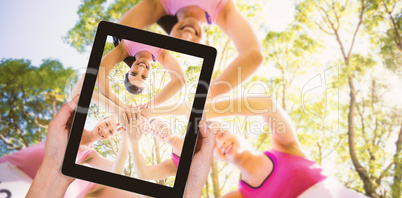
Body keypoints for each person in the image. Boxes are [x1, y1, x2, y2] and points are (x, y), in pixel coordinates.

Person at [26, 96, 216, 198]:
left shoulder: (90, 155)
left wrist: (131, 135)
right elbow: (90, 93)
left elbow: (117, 171)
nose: (106, 131)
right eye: (107, 125)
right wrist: (120, 111)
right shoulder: (73, 127)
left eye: (110, 132)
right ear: (100, 119)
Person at [202, 95, 368, 198]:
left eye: (221, 133)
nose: (220, 142)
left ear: (237, 131)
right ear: (212, 156)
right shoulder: (238, 196)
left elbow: (266, 104)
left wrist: (202, 111)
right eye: (211, 145)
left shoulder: (284, 146)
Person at [118, 0, 263, 99]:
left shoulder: (161, 4)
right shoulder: (221, 11)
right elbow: (253, 55)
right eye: (191, 42)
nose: (187, 35)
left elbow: (122, 30)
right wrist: (207, 97)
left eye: (179, 41)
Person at [96, 36, 185, 111]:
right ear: (150, 77)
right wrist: (149, 105)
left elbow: (99, 74)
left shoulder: (124, 49)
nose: (141, 69)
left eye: (134, 73)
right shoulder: (161, 54)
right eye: (143, 77)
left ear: (129, 71)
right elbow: (179, 80)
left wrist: (124, 107)